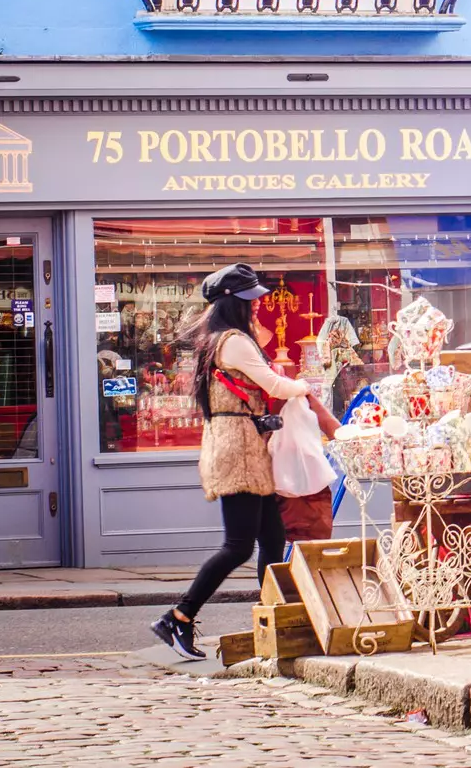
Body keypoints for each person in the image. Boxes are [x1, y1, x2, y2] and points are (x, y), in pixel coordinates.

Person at [150, 263, 328, 660]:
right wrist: (307, 386)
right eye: (250, 302)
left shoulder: (220, 340)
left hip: (244, 444)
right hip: (239, 450)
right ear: (231, 305)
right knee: (238, 545)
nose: (257, 308)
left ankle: (272, 618)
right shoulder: (233, 341)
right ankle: (179, 615)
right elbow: (275, 384)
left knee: (273, 539)